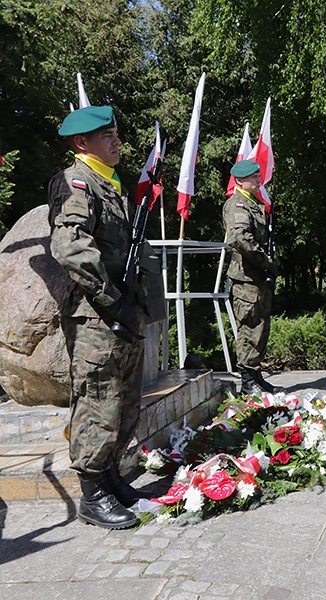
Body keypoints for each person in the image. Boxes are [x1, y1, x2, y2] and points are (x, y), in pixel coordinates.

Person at [48, 106, 153, 529]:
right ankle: (92, 495)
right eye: (106, 135)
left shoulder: (110, 184)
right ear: (81, 143)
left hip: (120, 308)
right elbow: (69, 247)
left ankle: (111, 477)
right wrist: (111, 298)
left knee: (125, 400)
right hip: (95, 314)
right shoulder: (78, 183)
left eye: (115, 133)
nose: (116, 141)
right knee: (98, 399)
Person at [223, 159, 281, 395]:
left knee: (260, 327)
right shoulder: (237, 205)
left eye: (259, 176)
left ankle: (255, 375)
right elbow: (239, 238)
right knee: (249, 327)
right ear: (239, 180)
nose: (259, 180)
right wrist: (265, 262)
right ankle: (247, 381)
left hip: (257, 277)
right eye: (254, 177)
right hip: (246, 278)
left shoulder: (253, 204)